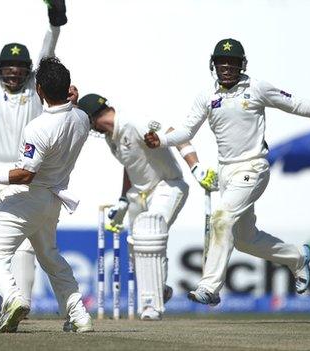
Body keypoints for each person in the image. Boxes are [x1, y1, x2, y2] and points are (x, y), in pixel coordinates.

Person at [144, 38, 310, 305]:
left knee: (221, 217)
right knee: (245, 240)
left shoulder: (256, 88)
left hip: (253, 166)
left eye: (232, 62)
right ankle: (298, 257)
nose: (227, 67)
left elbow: (295, 104)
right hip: (226, 173)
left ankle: (209, 287)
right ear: (214, 65)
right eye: (222, 62)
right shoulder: (207, 96)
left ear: (242, 64)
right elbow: (186, 131)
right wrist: (160, 140)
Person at [0, 57, 92, 333]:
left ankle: (14, 298)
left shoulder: (38, 128)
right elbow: (73, 113)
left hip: (32, 197)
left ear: (39, 90)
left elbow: (25, 175)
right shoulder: (82, 118)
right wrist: (72, 100)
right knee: (50, 257)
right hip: (54, 200)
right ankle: (79, 316)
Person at [0, 0, 69, 309]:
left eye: (20, 69)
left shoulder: (36, 90)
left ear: (28, 73)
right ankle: (6, 302)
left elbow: (47, 53)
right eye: (8, 68)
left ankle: (21, 302)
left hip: (24, 174)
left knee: (24, 247)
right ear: (0, 70)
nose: (13, 74)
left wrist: (54, 21)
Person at [77, 93, 217, 320]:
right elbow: (130, 165)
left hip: (168, 185)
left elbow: (173, 133)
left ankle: (151, 306)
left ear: (92, 119)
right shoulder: (110, 138)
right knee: (136, 248)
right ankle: (159, 289)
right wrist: (123, 200)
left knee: (148, 234)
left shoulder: (133, 121)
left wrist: (195, 167)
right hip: (139, 194)